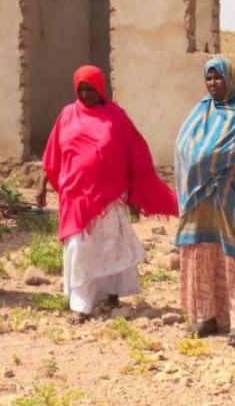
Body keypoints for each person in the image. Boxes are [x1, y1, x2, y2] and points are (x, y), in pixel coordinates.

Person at [40, 65, 178, 320]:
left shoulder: (116, 116)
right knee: (80, 248)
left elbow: (134, 152)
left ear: (101, 89)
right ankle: (81, 306)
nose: (85, 94)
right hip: (76, 195)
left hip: (109, 195)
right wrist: (42, 188)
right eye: (80, 89)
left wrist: (135, 192)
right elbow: (53, 153)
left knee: (111, 244)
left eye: (90, 89)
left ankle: (112, 292)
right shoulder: (67, 115)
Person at [174, 56, 235, 346]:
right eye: (209, 78)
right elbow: (185, 147)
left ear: (232, 80)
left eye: (218, 78)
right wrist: (202, 163)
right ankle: (207, 316)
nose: (213, 83)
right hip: (199, 200)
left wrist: (211, 161)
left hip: (234, 198)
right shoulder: (200, 112)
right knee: (203, 253)